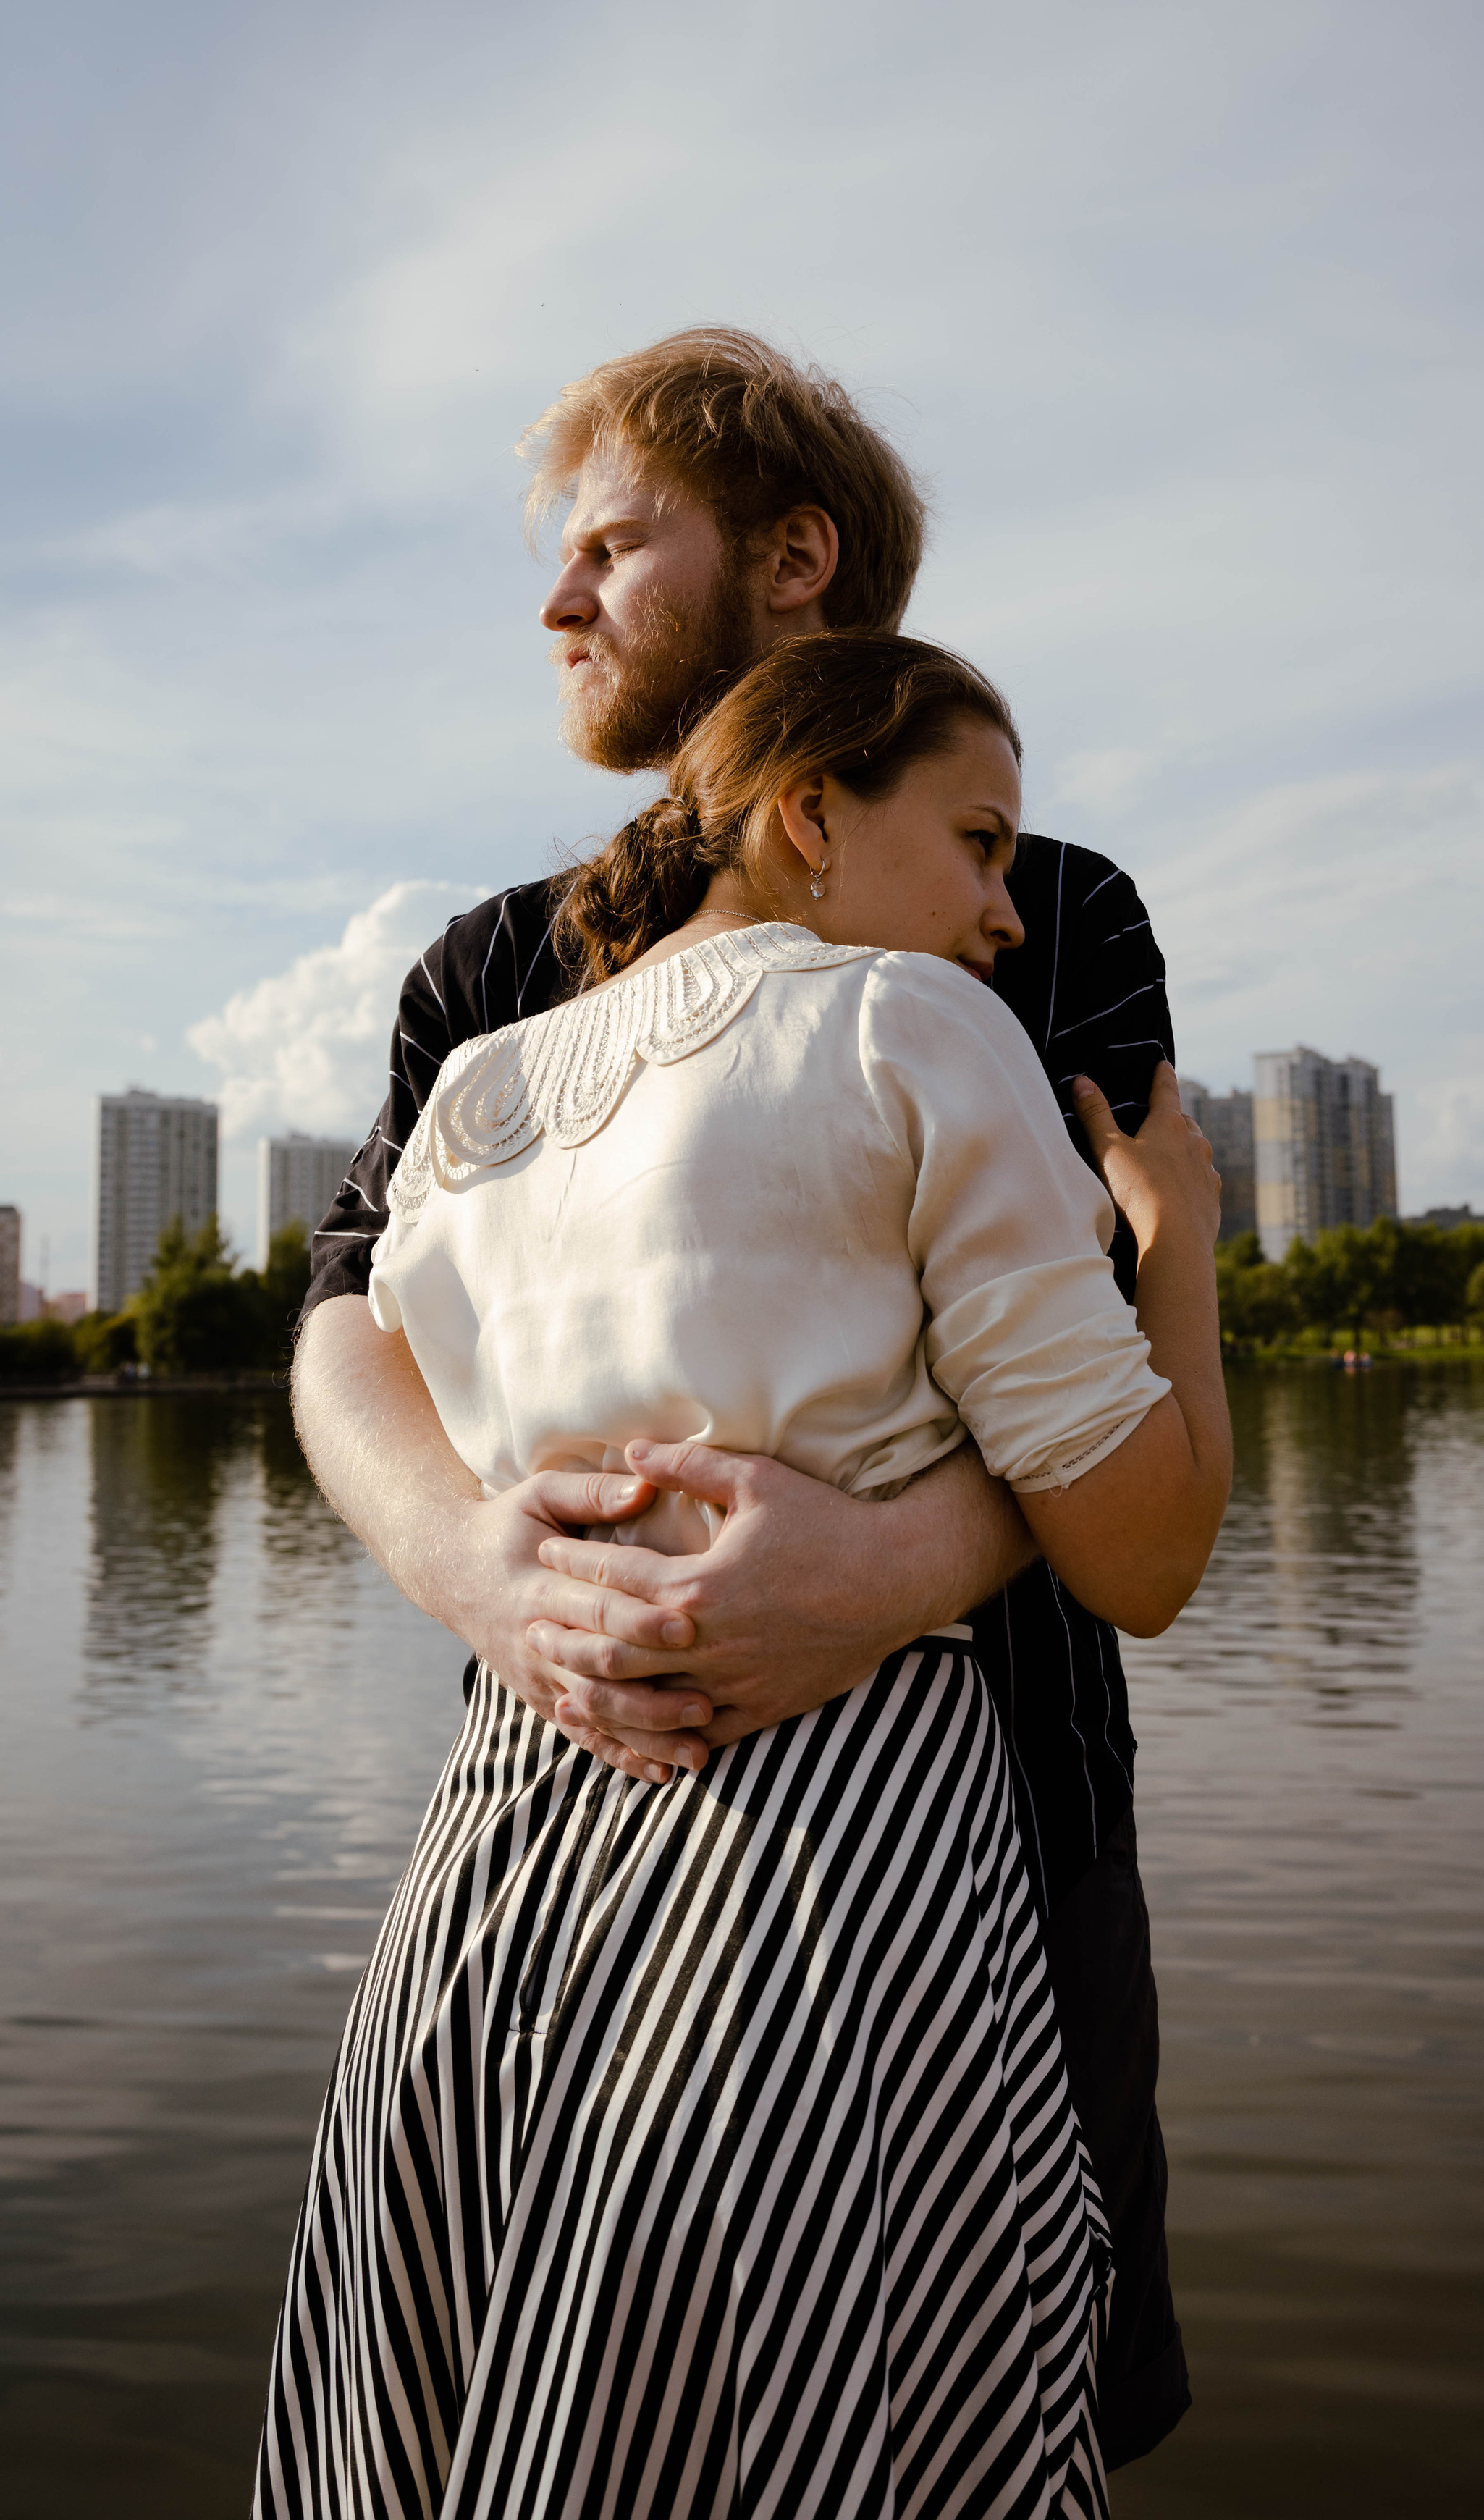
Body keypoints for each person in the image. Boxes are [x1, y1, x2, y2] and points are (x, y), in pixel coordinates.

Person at [293, 329, 1194, 2466]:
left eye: (614, 542)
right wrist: (484, 1578)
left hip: (984, 1824)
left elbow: (1080, 1344)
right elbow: (346, 1327)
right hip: (567, 1769)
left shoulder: (1030, 906)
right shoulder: (486, 975)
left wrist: (885, 1568)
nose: (556, 600)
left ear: (795, 562)